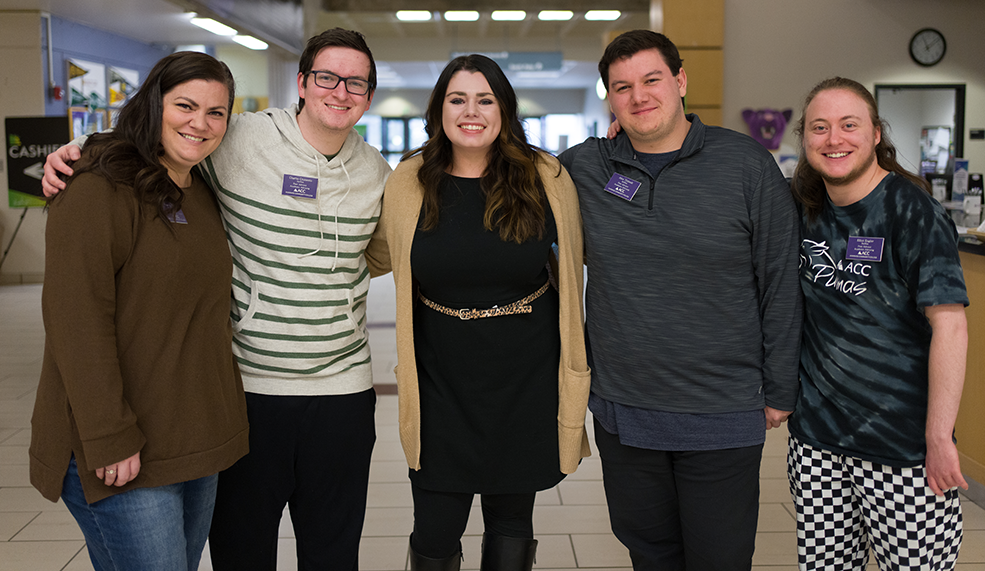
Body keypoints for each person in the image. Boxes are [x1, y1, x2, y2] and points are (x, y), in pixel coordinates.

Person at [41, 28, 393, 571]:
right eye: (326, 76)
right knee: (242, 552)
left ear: (369, 96)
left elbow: (383, 252)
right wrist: (82, 151)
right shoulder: (239, 140)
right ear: (302, 83)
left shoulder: (376, 173)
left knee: (333, 552)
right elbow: (162, 136)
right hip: (249, 391)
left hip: (336, 393)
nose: (340, 91)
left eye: (357, 82)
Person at [559, 29, 802, 571]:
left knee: (720, 557)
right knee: (650, 553)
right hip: (625, 408)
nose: (639, 96)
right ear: (609, 98)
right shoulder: (585, 168)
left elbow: (781, 278)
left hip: (722, 407)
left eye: (651, 80)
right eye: (622, 87)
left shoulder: (745, 165)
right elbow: (505, 180)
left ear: (681, 80)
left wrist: (781, 386)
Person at [364, 54, 591, 571]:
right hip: (440, 381)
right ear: (439, 109)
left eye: (485, 99)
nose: (472, 111)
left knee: (512, 519)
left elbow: (585, 247)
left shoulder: (545, 176)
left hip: (526, 378)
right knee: (435, 527)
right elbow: (376, 252)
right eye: (458, 99)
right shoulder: (409, 180)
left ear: (504, 110)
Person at [30, 51, 249, 571]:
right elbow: (75, 321)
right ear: (154, 102)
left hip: (194, 439)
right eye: (186, 105)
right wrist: (108, 437)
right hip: (119, 448)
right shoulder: (97, 187)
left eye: (216, 113)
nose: (200, 123)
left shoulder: (200, 189)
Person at [788, 77, 969, 570]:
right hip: (817, 445)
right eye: (820, 128)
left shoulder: (914, 213)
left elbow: (950, 327)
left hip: (903, 447)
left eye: (849, 125)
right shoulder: (802, 209)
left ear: (875, 135)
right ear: (805, 140)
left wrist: (938, 437)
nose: (834, 139)